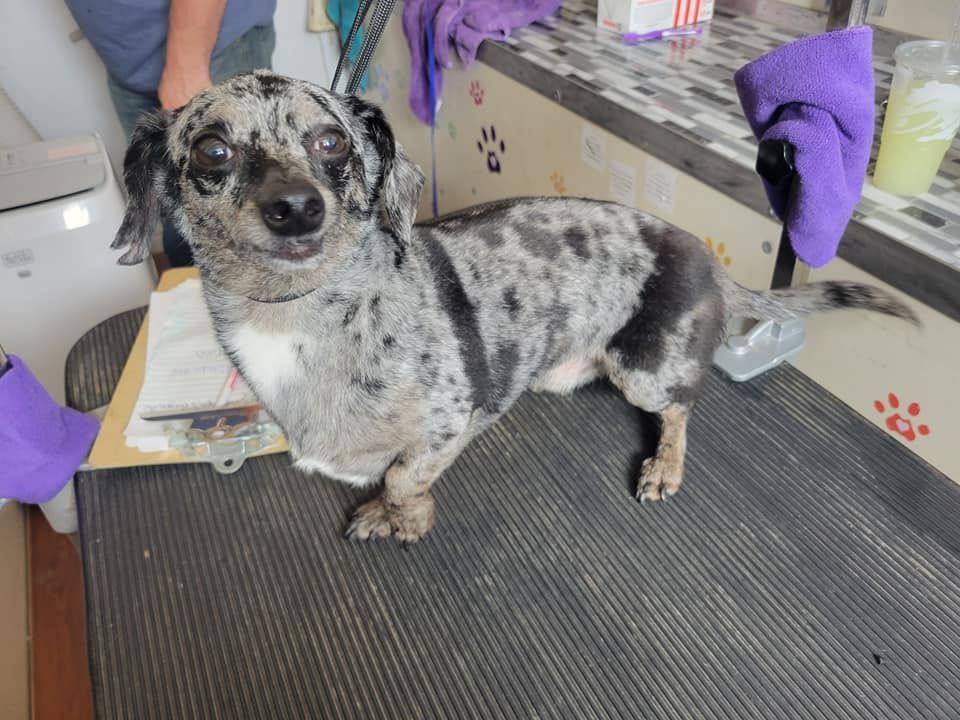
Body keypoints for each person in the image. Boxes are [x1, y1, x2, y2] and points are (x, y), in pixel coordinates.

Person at [65, 0, 278, 266]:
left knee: (244, 214)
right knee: (175, 212)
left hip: (207, 50)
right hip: (130, 63)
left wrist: (187, 67)